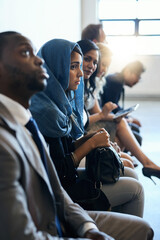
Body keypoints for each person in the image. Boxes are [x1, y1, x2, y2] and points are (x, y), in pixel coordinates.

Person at [30, 38, 146, 218]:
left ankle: (117, 224)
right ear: (56, 67)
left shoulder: (61, 101)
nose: (80, 73)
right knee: (135, 188)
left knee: (129, 172)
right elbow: (61, 172)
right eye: (73, 67)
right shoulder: (47, 112)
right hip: (61, 194)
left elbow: (67, 146)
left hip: (67, 181)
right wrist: (91, 144)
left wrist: (92, 139)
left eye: (80, 65)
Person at [77, 40, 160, 183]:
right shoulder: (80, 83)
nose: (95, 67)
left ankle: (125, 162)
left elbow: (99, 112)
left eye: (96, 62)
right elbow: (89, 117)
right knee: (121, 124)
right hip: (84, 129)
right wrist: (111, 116)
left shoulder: (90, 84)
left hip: (90, 123)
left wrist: (112, 115)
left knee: (121, 125)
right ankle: (143, 163)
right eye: (88, 59)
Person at [101, 60, 145, 128]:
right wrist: (130, 119)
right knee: (135, 129)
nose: (138, 80)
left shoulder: (116, 79)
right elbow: (113, 108)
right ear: (127, 71)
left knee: (134, 127)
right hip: (104, 117)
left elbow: (115, 105)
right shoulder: (115, 82)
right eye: (137, 76)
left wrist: (128, 116)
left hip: (106, 115)